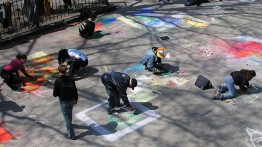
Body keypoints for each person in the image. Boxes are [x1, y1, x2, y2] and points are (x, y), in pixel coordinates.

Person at [53, 65, 78, 140]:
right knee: (69, 112)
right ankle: (70, 124)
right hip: (72, 100)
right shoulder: (71, 79)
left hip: (64, 102)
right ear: (66, 71)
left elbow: (54, 94)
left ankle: (71, 135)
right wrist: (76, 98)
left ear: (59, 71)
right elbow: (75, 89)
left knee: (67, 118)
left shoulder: (58, 81)